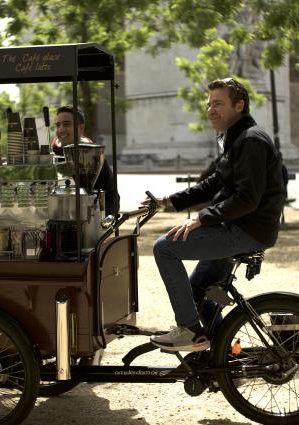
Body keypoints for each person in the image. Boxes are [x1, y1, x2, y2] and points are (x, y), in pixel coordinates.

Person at [148, 78, 286, 352]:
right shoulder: (235, 139)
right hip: (239, 226)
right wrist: (168, 202)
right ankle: (219, 352)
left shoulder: (250, 141)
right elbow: (213, 184)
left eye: (219, 104)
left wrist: (201, 219)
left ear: (239, 105)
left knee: (164, 248)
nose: (211, 109)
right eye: (209, 104)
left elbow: (247, 199)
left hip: (246, 230)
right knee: (196, 292)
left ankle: (190, 331)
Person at [51, 105, 119, 215]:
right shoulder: (50, 157)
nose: (61, 129)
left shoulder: (94, 157)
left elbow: (113, 201)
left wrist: (89, 210)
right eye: (58, 125)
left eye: (66, 124)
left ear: (81, 128)